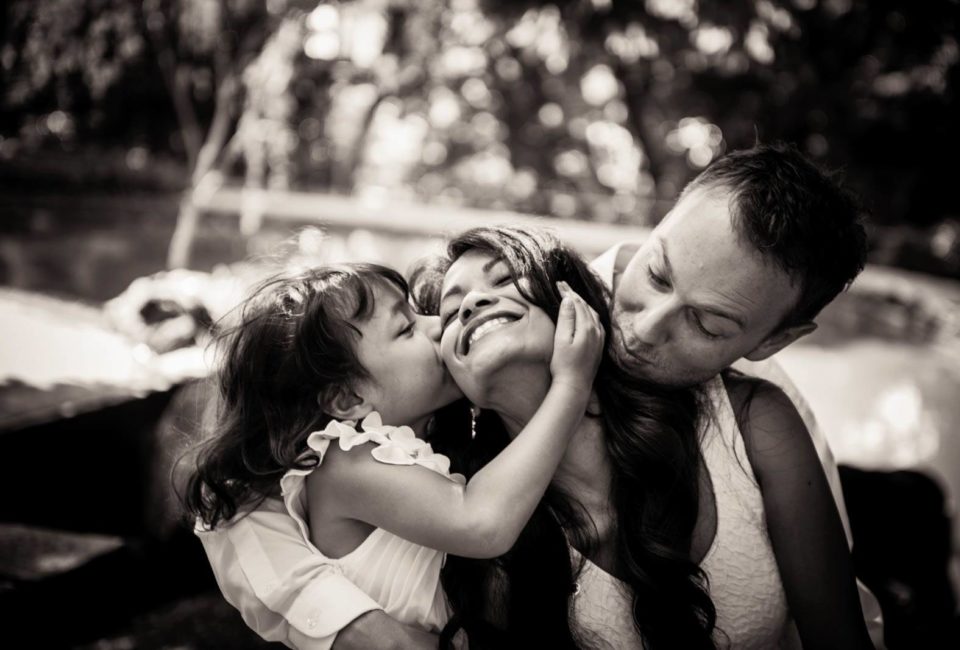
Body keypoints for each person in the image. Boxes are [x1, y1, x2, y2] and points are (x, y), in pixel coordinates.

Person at [193, 143, 882, 648]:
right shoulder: (432, 439)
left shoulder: (750, 414)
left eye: (707, 323)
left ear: (767, 340)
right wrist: (344, 621)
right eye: (657, 274)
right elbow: (242, 484)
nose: (641, 328)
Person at [427, 225, 870, 649]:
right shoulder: (479, 550)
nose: (471, 305)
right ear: (456, 381)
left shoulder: (748, 422)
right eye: (450, 311)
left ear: (573, 299)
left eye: (504, 279)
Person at [183, 262, 605, 643]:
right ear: (348, 400)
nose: (437, 325)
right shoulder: (344, 462)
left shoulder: (411, 447)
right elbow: (482, 523)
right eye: (406, 329)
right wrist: (570, 384)